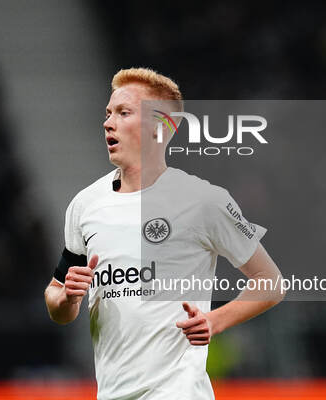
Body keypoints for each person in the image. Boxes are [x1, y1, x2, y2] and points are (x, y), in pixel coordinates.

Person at [45, 68, 285, 399]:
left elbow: (270, 282)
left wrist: (214, 321)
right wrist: (67, 298)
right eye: (108, 113)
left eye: (124, 113)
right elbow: (57, 298)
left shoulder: (204, 201)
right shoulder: (85, 205)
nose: (108, 122)